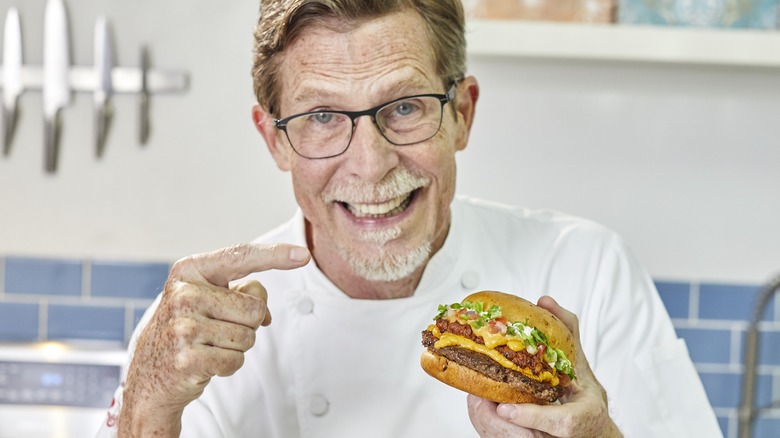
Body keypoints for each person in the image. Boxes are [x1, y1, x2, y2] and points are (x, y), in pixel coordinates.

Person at [97, 0, 722, 437]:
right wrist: (149, 408)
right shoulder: (196, 329)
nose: (369, 166)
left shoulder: (586, 269)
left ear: (463, 115)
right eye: (321, 117)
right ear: (274, 140)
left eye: (404, 107)